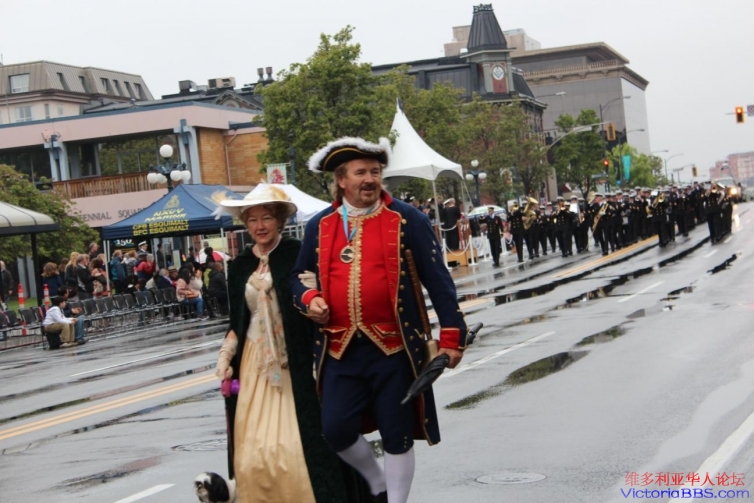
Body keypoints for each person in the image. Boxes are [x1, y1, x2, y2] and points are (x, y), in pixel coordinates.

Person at [292, 137, 468, 503]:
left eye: (375, 172)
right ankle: (377, 483)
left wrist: (452, 337)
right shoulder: (320, 225)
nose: (370, 179)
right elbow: (296, 278)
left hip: (394, 349)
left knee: (397, 432)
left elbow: (439, 281)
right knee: (336, 429)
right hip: (339, 350)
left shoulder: (407, 219)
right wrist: (310, 299)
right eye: (361, 173)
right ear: (341, 180)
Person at [214, 183, 366, 503]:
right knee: (253, 448)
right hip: (254, 364)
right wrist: (226, 356)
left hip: (294, 360)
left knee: (294, 446)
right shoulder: (239, 266)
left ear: (280, 220)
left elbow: (315, 304)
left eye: (266, 218)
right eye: (252, 220)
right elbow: (237, 321)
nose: (260, 226)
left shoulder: (296, 254)